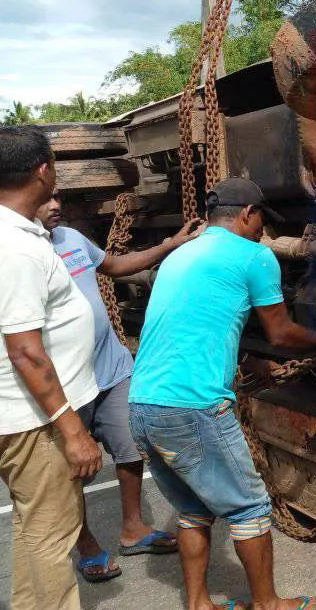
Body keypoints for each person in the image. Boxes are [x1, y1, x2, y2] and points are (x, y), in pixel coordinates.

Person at [128, 178, 316, 610]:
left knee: (193, 509)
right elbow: (280, 332)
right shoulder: (255, 256)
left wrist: (243, 357)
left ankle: (199, 604)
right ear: (246, 214)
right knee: (249, 507)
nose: (264, 231)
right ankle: (268, 604)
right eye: (262, 220)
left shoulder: (182, 254)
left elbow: (196, 319)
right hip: (192, 407)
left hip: (144, 403)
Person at [34, 194, 202, 582]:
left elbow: (114, 265)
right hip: (65, 385)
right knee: (69, 470)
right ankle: (86, 545)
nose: (56, 203)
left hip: (110, 370)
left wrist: (169, 245)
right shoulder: (22, 253)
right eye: (45, 199)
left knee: (130, 449)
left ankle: (133, 528)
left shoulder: (71, 238)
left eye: (58, 195)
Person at [0, 127, 102, 610]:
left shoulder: (19, 234)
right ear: (43, 169)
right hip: (34, 419)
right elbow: (25, 351)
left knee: (34, 527)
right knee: (50, 537)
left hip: (28, 413)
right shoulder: (15, 248)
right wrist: (72, 428)